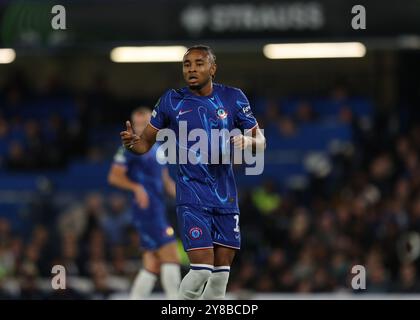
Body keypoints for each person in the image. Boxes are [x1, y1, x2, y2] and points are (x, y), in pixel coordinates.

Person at [120, 45, 266, 300]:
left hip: (226, 198)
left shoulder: (233, 97)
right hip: (191, 197)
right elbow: (144, 144)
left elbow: (261, 141)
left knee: (220, 279)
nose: (192, 69)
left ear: (213, 68)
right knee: (201, 271)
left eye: (199, 63)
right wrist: (133, 145)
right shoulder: (171, 100)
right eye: (187, 64)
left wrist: (250, 142)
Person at [109, 107, 181, 299]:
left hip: (157, 209)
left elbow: (166, 181)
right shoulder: (129, 147)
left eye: (146, 123)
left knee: (152, 263)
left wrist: (186, 198)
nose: (142, 127)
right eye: (138, 124)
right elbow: (114, 177)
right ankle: (176, 302)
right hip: (146, 210)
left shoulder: (157, 148)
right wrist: (136, 188)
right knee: (171, 254)